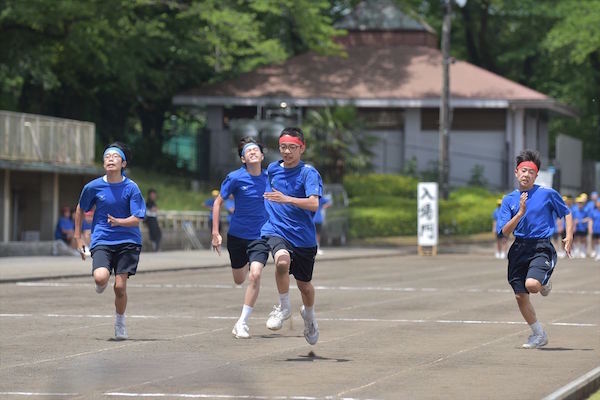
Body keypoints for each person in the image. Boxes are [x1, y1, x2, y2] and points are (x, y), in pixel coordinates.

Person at [244, 127, 323, 345]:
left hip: (303, 238)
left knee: (305, 286)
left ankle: (310, 318)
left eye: (292, 147)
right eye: (283, 147)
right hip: (276, 230)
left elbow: (314, 203)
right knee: (281, 262)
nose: (287, 151)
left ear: (302, 148)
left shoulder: (309, 173)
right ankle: (284, 306)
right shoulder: (272, 169)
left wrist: (287, 199)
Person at [497, 150, 572, 349]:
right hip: (519, 248)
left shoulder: (547, 193)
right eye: (523, 170)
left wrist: (569, 236)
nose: (526, 174)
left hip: (541, 245)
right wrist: (520, 213)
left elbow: (567, 212)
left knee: (532, 285)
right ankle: (539, 334)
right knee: (520, 295)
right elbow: (505, 232)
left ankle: (543, 281)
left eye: (531, 171)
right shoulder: (508, 200)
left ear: (536, 175)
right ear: (516, 172)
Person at [73, 142, 146, 341]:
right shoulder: (93, 186)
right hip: (103, 239)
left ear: (123, 163)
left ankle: (120, 323)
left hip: (128, 240)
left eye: (115, 156)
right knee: (100, 278)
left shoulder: (131, 187)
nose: (110, 159)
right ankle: (102, 280)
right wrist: (78, 236)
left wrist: (119, 222)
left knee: (120, 287)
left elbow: (138, 217)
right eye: (107, 156)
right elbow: (80, 209)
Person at [211, 137, 268, 339]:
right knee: (239, 279)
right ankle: (246, 264)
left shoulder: (271, 178)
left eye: (255, 150)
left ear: (262, 155)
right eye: (247, 151)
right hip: (236, 235)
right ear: (243, 159)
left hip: (261, 236)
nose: (252, 152)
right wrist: (215, 232)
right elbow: (218, 203)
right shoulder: (235, 178)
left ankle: (242, 322)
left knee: (255, 274)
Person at [589, 197, 600, 261]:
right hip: (595, 229)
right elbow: (591, 221)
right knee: (595, 242)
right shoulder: (593, 211)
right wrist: (590, 228)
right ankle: (596, 252)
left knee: (599, 241)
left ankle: (599, 253)